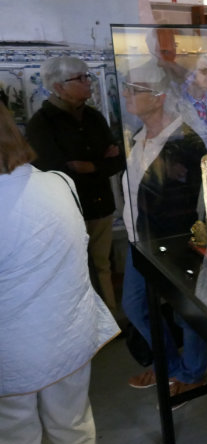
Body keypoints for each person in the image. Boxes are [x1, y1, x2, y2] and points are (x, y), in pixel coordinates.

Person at [0, 101, 120, 444]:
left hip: (13, 352)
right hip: (68, 336)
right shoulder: (59, 183)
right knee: (74, 425)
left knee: (15, 436)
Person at [120, 67, 207, 402]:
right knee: (135, 304)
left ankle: (192, 372)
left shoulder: (186, 142)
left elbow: (188, 204)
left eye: (134, 88)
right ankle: (170, 365)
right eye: (127, 87)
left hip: (172, 243)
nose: (126, 94)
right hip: (138, 239)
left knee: (186, 309)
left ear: (158, 97)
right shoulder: (137, 136)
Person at [27, 55, 125, 317]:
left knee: (102, 265)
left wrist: (89, 166)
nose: (88, 82)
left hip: (101, 207)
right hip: (69, 211)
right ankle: (86, 323)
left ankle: (110, 322)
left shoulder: (94, 117)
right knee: (76, 270)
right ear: (58, 86)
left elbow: (118, 161)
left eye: (87, 76)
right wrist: (100, 163)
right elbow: (56, 173)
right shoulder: (41, 124)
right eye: (80, 78)